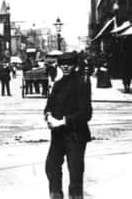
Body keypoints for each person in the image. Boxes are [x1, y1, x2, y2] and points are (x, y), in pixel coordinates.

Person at [44, 52, 92, 199]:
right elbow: (48, 106)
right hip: (58, 135)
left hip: (75, 135)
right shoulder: (58, 84)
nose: (65, 66)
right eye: (62, 64)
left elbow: (86, 113)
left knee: (75, 171)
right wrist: (48, 116)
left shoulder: (81, 82)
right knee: (51, 166)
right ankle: (56, 195)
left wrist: (63, 121)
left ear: (75, 65)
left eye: (69, 64)